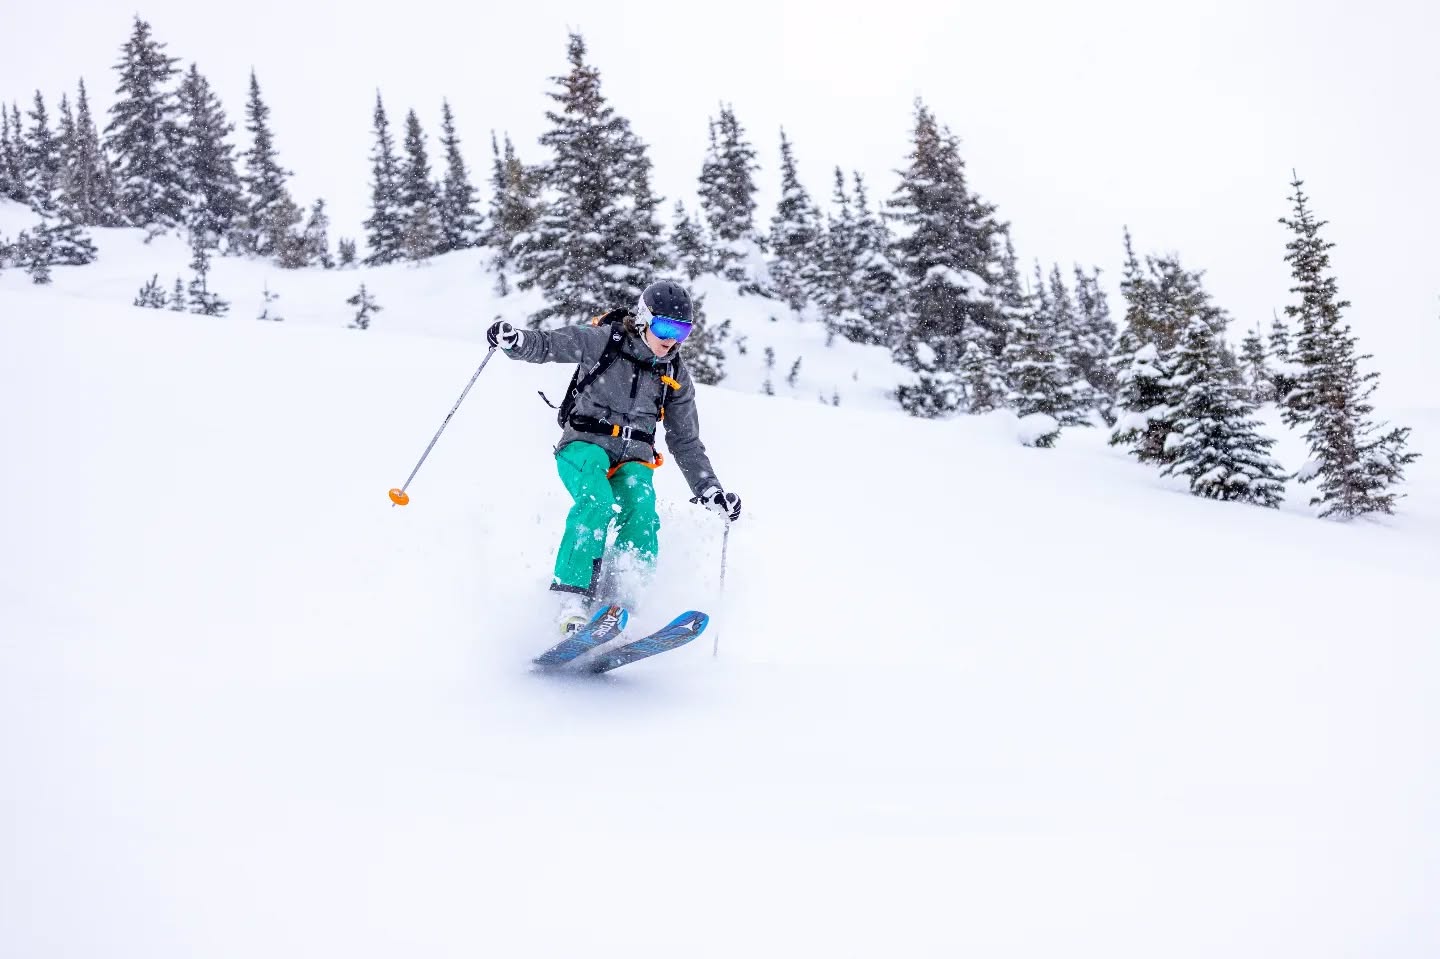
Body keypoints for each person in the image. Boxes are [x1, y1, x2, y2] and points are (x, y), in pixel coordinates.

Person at [486, 280, 742, 634]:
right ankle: (571, 601)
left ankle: (620, 601)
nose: (672, 339)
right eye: (665, 327)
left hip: (634, 457)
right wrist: (516, 342)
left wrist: (709, 489)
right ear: (643, 318)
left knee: (642, 509)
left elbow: (685, 440)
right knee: (596, 501)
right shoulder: (603, 341)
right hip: (583, 445)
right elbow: (549, 345)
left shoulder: (675, 373)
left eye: (682, 330)